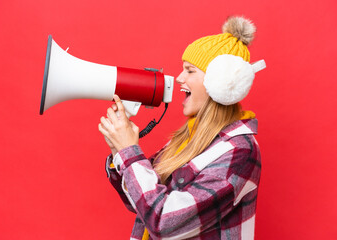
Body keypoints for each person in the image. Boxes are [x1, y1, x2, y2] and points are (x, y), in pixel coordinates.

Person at [98, 16, 265, 240]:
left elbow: (163, 222)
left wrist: (129, 151)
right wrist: (119, 151)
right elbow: (141, 203)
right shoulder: (188, 139)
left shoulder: (240, 151)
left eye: (190, 70)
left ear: (221, 83)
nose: (178, 78)